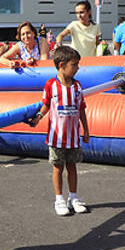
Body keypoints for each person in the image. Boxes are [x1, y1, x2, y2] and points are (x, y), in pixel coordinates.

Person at [28, 46, 90, 215]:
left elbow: (81, 109)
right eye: (74, 65)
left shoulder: (77, 86)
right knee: (58, 167)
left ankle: (74, 197)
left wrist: (86, 130)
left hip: (73, 136)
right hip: (57, 137)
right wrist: (38, 117)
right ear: (62, 65)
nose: (77, 68)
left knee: (72, 166)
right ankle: (59, 199)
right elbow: (46, 105)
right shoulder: (51, 85)